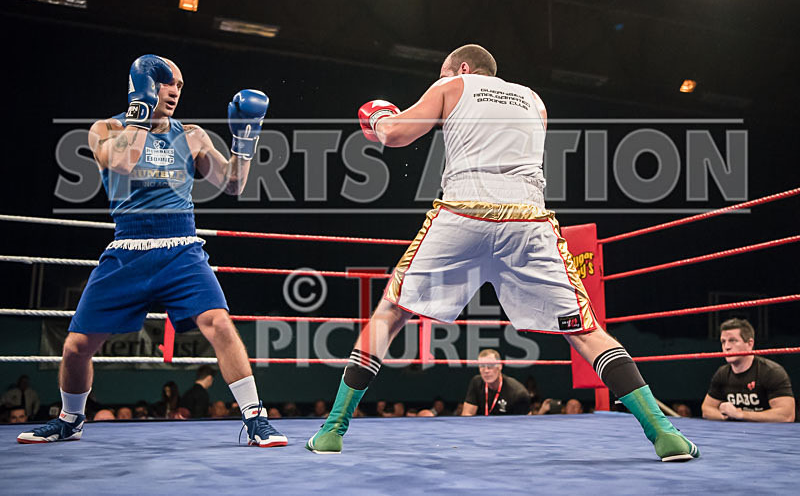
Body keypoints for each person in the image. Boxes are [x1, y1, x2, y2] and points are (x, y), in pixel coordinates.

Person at [306, 44, 699, 461]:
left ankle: (333, 430)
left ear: (461, 67)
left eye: (442, 72)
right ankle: (664, 433)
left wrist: (379, 117)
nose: (439, 79)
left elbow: (396, 134)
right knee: (584, 329)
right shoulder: (535, 100)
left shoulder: (453, 84)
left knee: (391, 311)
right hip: (528, 219)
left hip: (463, 212)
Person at [17, 55, 286, 447]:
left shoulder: (192, 135)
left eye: (179, 84)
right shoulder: (106, 128)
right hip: (128, 249)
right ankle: (70, 419)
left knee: (220, 324)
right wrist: (139, 110)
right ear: (143, 84)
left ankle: (256, 418)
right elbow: (123, 162)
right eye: (165, 81)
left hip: (181, 248)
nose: (175, 90)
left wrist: (245, 139)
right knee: (76, 346)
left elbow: (233, 184)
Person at [702, 318, 795, 422]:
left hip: (769, 433)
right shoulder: (722, 373)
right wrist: (725, 416)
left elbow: (787, 415)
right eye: (723, 342)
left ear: (750, 344)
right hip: (735, 432)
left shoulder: (771, 372)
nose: (726, 347)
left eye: (733, 340)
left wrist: (740, 414)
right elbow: (706, 409)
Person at [460, 349, 530, 416]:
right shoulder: (476, 383)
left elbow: (525, 424)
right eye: (482, 366)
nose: (486, 370)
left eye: (490, 366)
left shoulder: (518, 393)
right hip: (481, 427)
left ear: (500, 366)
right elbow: (467, 415)